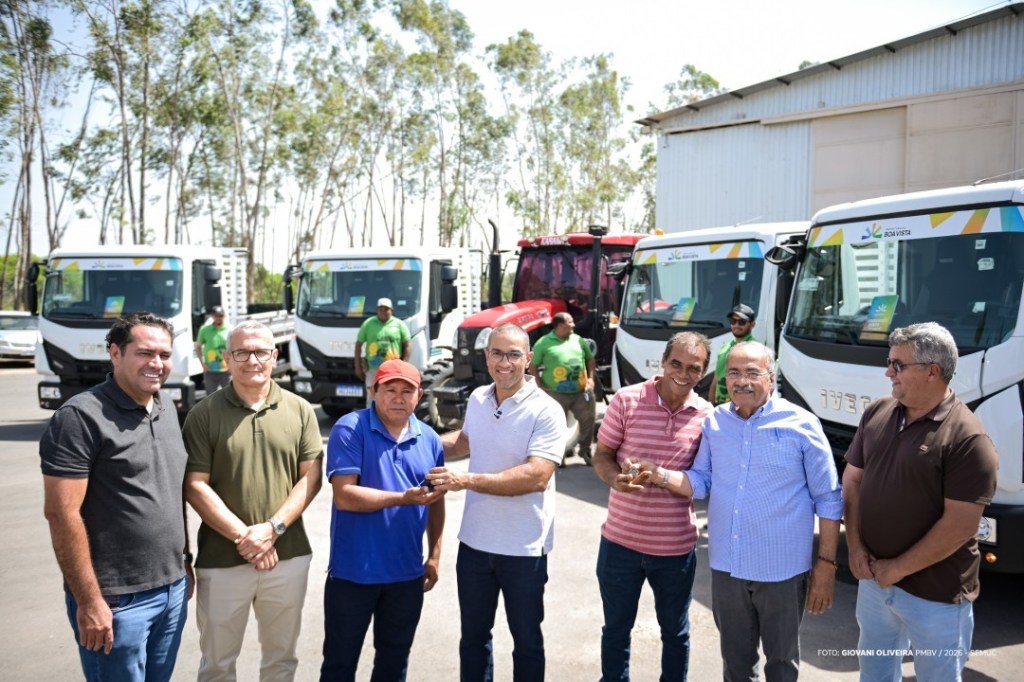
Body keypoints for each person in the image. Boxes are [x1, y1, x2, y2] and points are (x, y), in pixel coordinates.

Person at [661, 341, 842, 682]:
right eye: (733, 373)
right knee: (736, 664)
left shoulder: (801, 424)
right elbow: (702, 481)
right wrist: (660, 475)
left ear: (771, 378)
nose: (741, 381)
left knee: (782, 664)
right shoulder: (715, 422)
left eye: (751, 373)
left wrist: (826, 565)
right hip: (727, 566)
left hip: (782, 571)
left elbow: (829, 499)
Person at [40, 312, 192, 681]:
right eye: (144, 353)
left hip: (172, 591)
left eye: (164, 354)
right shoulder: (80, 417)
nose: (156, 364)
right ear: (114, 353)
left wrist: (184, 564)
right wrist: (90, 601)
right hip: (116, 601)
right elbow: (62, 514)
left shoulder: (166, 408)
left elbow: (171, 492)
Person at [843, 322, 998, 681]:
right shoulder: (878, 412)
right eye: (889, 361)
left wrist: (896, 568)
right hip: (874, 583)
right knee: (876, 673)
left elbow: (961, 525)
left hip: (936, 598)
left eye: (898, 365)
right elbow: (852, 480)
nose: (888, 372)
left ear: (933, 371)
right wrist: (854, 547)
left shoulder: (968, 438)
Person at [182, 320, 324, 682]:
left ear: (274, 356)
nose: (252, 360)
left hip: (288, 556)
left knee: (281, 661)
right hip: (221, 561)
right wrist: (248, 537)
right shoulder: (203, 413)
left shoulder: (300, 409)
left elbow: (310, 477)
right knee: (216, 664)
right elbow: (195, 485)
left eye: (260, 351)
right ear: (227, 358)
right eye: (242, 352)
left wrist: (272, 530)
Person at [426, 323, 567, 681]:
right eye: (498, 353)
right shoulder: (478, 398)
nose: (505, 362)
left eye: (514, 354)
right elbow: (466, 441)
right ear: (487, 356)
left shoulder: (546, 411)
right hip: (475, 544)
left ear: (529, 359)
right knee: (473, 639)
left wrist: (465, 480)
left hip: (523, 550)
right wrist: (415, 439)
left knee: (527, 642)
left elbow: (537, 475)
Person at [591, 331, 713, 681]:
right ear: (663, 361)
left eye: (694, 368)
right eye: (676, 363)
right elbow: (602, 455)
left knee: (675, 634)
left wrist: (662, 476)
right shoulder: (627, 400)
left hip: (674, 550)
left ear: (702, 373)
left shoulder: (707, 416)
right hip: (619, 544)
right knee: (615, 631)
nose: (683, 373)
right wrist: (614, 478)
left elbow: (703, 481)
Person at [321, 359, 446, 681]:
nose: (399, 397)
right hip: (353, 574)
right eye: (390, 389)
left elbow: (436, 502)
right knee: (339, 663)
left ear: (419, 395)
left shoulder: (430, 438)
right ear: (373, 391)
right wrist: (402, 498)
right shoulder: (351, 428)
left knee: (393, 663)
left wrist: (433, 556)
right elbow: (345, 496)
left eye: (408, 391)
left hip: (406, 575)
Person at [529, 311, 597, 465]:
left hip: (581, 392)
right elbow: (533, 366)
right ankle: (559, 456)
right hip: (556, 393)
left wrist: (591, 380)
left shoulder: (578, 340)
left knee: (588, 421)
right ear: (560, 325)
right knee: (557, 426)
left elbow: (590, 360)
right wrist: (539, 386)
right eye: (570, 322)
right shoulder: (543, 343)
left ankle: (585, 451)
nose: (573, 325)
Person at [355, 297, 412, 406]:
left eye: (386, 309)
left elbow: (408, 344)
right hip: (373, 368)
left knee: (391, 394)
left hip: (393, 369)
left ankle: (388, 419)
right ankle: (371, 419)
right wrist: (357, 366)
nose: (383, 312)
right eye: (380, 309)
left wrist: (404, 364)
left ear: (391, 310)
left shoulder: (399, 324)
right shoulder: (368, 323)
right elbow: (358, 344)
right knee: (372, 394)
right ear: (377, 310)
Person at [711, 303, 756, 405]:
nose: (736, 325)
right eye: (733, 321)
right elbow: (716, 379)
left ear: (753, 324)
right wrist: (711, 404)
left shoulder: (756, 350)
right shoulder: (725, 347)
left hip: (740, 408)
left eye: (742, 322)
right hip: (720, 406)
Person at [194, 305, 230, 393]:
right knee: (210, 398)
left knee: (230, 396)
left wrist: (232, 365)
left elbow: (235, 348)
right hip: (210, 371)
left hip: (226, 370)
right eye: (216, 316)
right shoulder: (204, 330)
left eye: (220, 316)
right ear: (212, 317)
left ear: (224, 316)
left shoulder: (230, 329)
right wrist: (203, 365)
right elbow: (198, 347)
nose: (218, 318)